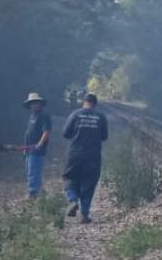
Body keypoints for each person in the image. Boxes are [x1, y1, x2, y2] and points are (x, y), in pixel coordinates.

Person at [62, 91, 109, 223]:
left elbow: (66, 134)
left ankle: (72, 200)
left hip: (75, 154)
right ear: (95, 104)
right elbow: (104, 137)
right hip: (93, 156)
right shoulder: (101, 117)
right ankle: (84, 214)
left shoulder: (75, 114)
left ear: (84, 102)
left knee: (69, 177)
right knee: (89, 183)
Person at [23, 91, 52, 197]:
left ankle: (33, 193)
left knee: (33, 171)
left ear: (40, 104)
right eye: (32, 103)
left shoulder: (44, 116)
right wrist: (25, 147)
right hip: (29, 148)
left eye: (35, 103)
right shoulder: (32, 115)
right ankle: (41, 192)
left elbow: (47, 131)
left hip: (37, 149)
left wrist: (40, 143)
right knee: (29, 171)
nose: (34, 105)